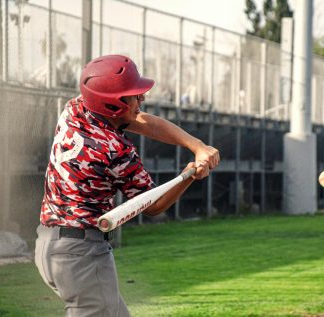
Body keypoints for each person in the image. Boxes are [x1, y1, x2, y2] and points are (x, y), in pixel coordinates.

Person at [34, 54, 220, 316]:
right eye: (133, 95)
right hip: (82, 254)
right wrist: (190, 173)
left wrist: (197, 146)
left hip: (50, 244)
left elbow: (144, 122)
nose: (141, 99)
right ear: (113, 105)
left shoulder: (75, 109)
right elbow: (153, 206)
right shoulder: (115, 150)